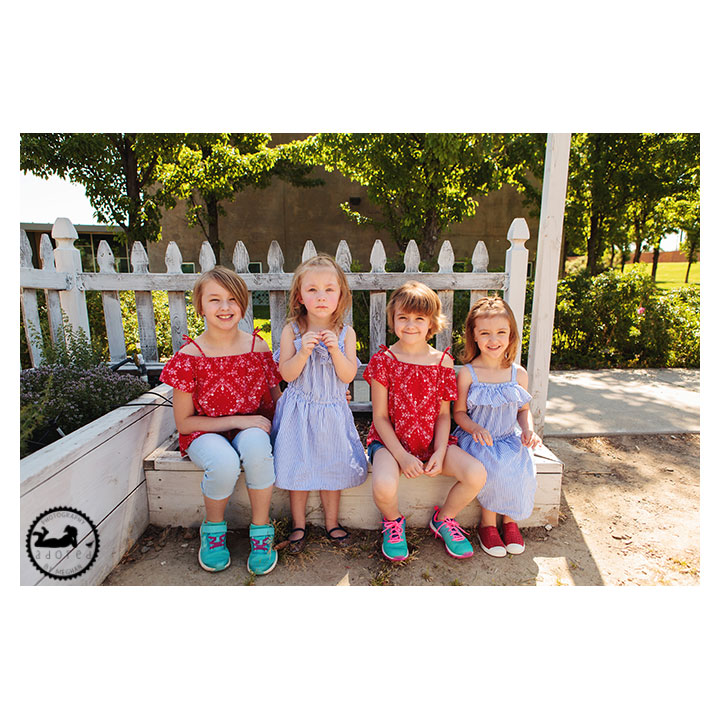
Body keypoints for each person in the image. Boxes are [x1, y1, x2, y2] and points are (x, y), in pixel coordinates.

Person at [159, 266, 282, 575]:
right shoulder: (189, 356)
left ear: (243, 304)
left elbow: (279, 401)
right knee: (225, 462)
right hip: (204, 432)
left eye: (232, 299)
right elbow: (185, 424)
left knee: (256, 448)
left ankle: (261, 531)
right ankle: (213, 531)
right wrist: (240, 420)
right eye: (214, 300)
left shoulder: (258, 347)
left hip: (251, 428)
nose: (224, 308)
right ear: (200, 306)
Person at [363, 281, 486, 562]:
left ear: (431, 323)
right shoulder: (384, 360)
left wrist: (441, 451)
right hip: (390, 444)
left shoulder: (442, 362)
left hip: (432, 442)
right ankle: (393, 522)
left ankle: (444, 519)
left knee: (476, 474)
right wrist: (403, 457)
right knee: (382, 485)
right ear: (393, 319)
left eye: (419, 319)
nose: (410, 325)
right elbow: (380, 418)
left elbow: (444, 415)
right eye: (403, 317)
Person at [271, 254, 368, 553]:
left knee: (332, 466)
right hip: (298, 412)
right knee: (297, 467)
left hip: (331, 412)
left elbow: (348, 374)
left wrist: (334, 351)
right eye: (312, 289)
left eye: (329, 289)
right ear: (300, 296)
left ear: (340, 295)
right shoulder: (292, 330)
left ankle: (331, 522)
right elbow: (285, 374)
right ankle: (298, 524)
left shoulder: (345, 333)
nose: (321, 296)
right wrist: (302, 352)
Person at [453, 296, 541, 558]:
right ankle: (488, 525)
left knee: (521, 466)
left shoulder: (518, 374)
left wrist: (528, 430)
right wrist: (474, 428)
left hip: (508, 437)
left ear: (511, 334)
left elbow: (523, 411)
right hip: (477, 439)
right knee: (494, 467)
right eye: (485, 333)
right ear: (475, 337)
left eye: (501, 332)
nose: (494, 340)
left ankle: (510, 520)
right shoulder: (469, 373)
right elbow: (458, 413)